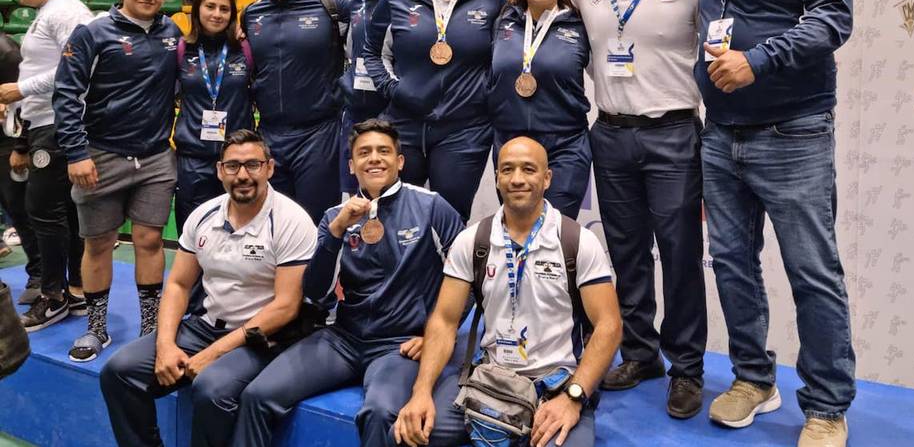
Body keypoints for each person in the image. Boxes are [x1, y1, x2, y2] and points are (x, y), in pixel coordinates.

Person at [695, 0, 855, 445]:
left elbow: (833, 18)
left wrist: (758, 62)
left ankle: (827, 406)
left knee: (813, 273)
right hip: (722, 135)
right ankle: (754, 380)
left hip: (794, 134)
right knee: (733, 266)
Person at [234, 119, 464, 446]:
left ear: (399, 161)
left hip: (397, 344)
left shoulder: (431, 207)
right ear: (352, 165)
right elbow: (315, 291)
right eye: (364, 153)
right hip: (343, 338)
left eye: (384, 151)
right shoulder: (335, 216)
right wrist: (336, 232)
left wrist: (435, 335)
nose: (374, 158)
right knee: (257, 394)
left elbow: (468, 275)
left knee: (380, 412)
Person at [570, 0, 707, 415]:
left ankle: (687, 368)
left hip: (672, 133)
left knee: (679, 254)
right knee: (625, 252)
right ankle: (640, 353)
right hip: (609, 134)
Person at [394, 137, 621, 447]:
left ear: (547, 178)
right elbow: (445, 321)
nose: (517, 179)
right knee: (410, 432)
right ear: (497, 178)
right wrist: (421, 393)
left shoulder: (576, 241)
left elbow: (609, 326)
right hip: (489, 378)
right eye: (507, 170)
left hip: (556, 386)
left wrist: (574, 397)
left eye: (528, 169)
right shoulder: (473, 241)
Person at [99, 130, 317, 447]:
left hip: (261, 338)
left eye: (253, 165)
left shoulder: (291, 221)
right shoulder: (203, 215)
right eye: (232, 166)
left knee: (211, 388)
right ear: (219, 171)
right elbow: (177, 284)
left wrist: (212, 355)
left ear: (269, 168)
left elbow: (286, 307)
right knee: (119, 372)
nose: (242, 175)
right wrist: (165, 345)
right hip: (205, 327)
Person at [53, 0, 180, 362]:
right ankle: (96, 327)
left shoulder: (172, 32)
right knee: (99, 243)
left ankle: (149, 325)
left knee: (148, 240)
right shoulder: (92, 33)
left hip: (157, 158)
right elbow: (66, 94)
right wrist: (76, 152)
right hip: (100, 157)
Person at [362, 0, 507, 221]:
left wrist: (483, 93)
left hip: (464, 131)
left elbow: (511, 48)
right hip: (404, 127)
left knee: (451, 218)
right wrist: (395, 90)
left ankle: (449, 270)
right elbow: (372, 53)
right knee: (396, 217)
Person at [1, 0, 89, 327]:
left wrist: (21, 89)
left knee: (45, 211)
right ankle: (75, 291)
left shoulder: (67, 12)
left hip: (59, 124)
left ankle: (53, 297)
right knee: (61, 212)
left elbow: (81, 67)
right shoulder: (48, 14)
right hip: (43, 125)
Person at [240, 0, 349, 223]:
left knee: (317, 225)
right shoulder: (251, 14)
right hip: (270, 134)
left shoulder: (331, 7)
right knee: (272, 225)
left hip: (319, 135)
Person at [489, 0, 591, 220]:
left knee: (555, 231)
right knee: (518, 228)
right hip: (510, 144)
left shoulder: (582, 23)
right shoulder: (501, 21)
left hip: (564, 146)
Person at [174, 0, 254, 232]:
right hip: (193, 158)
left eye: (224, 9)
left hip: (237, 158)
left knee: (239, 231)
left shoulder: (245, 49)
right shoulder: (182, 50)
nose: (217, 14)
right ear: (197, 9)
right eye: (210, 6)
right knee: (193, 231)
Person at [339, 0, 407, 194]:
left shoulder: (414, 0)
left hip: (399, 118)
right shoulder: (352, 4)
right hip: (355, 116)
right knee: (353, 200)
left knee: (398, 202)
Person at [0, 33, 41, 306]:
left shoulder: (6, 52)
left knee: (21, 211)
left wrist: (21, 146)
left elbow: (26, 99)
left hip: (7, 144)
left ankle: (39, 276)